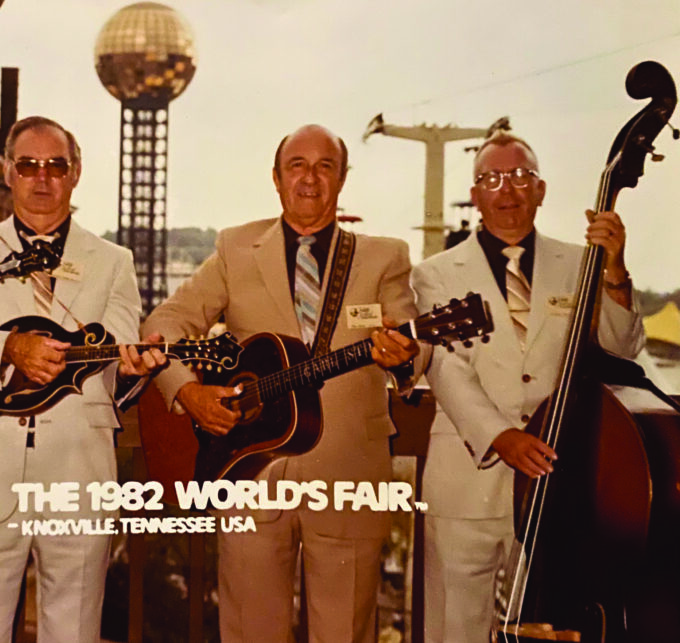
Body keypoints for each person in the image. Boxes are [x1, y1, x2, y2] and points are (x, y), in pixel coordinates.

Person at [141, 124, 426, 643]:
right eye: (297, 165)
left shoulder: (386, 256)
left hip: (348, 475)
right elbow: (165, 323)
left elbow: (412, 347)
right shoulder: (235, 247)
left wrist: (405, 355)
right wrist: (187, 391)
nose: (310, 179)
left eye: (324, 166)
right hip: (250, 472)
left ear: (342, 179)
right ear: (276, 178)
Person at [0, 115, 165, 642]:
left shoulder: (112, 261)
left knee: (74, 633)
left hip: (78, 472)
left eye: (56, 165)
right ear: (8, 172)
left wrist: (130, 363)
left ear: (75, 174)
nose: (42, 177)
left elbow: (118, 346)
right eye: (28, 165)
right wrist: (7, 348)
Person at [410, 132, 644, 643]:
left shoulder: (583, 263)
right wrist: (501, 436)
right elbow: (446, 369)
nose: (507, 190)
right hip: (466, 480)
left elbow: (622, 351)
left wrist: (617, 272)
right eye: (491, 178)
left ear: (541, 189)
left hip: (554, 485)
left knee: (541, 630)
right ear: (475, 195)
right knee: (455, 629)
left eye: (520, 176)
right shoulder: (434, 274)